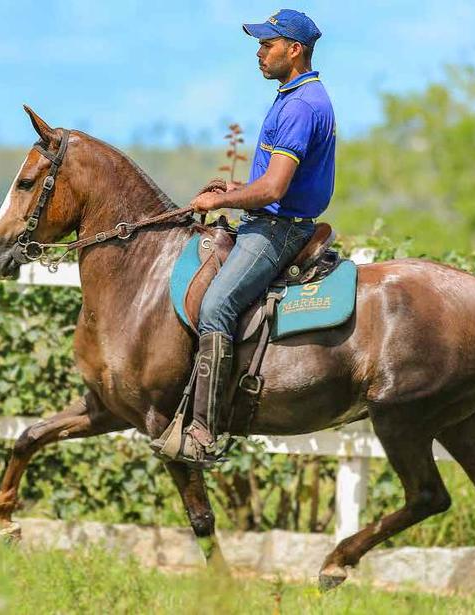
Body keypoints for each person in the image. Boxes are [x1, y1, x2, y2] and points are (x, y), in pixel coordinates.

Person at [175, 9, 337, 465]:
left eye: (268, 44)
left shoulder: (303, 106)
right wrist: (235, 189)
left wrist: (221, 202)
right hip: (268, 219)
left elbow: (274, 190)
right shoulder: (293, 95)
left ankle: (204, 432)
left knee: (216, 306)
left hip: (277, 230)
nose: (260, 52)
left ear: (294, 49)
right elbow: (266, 185)